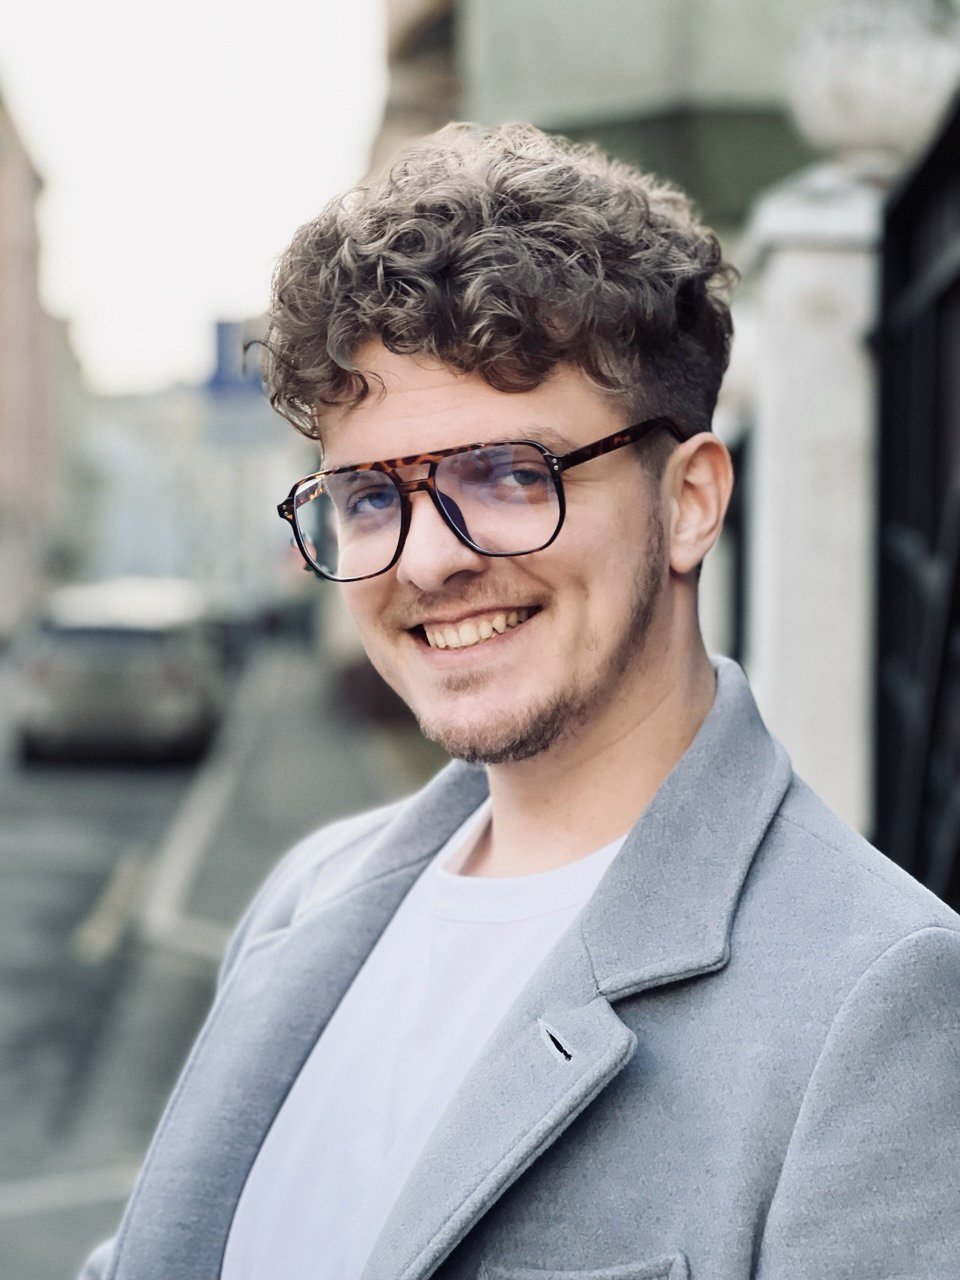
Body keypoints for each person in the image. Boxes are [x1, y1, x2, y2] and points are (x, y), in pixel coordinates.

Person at [81, 123, 960, 1280]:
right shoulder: (310, 893)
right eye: (369, 496)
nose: (428, 559)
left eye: (505, 473)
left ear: (691, 500)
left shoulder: (876, 995)